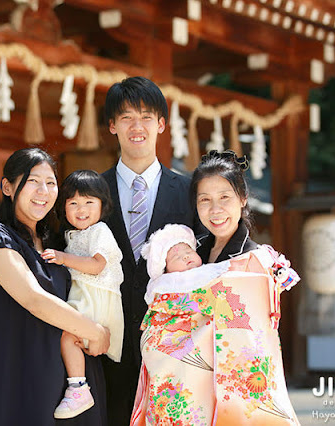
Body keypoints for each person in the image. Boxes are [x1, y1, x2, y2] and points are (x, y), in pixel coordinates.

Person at [130, 151, 301, 425]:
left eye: (225, 198)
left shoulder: (254, 261)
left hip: (229, 400)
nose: (215, 210)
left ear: (243, 199)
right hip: (183, 395)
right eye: (205, 200)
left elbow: (253, 346)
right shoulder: (188, 255)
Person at [0, 148, 110, 426]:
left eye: (50, 183)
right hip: (20, 373)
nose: (43, 191)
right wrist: (94, 332)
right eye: (33, 181)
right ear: (7, 186)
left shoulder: (57, 242)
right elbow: (33, 298)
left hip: (73, 382)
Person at [100, 76, 199, 425]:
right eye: (126, 117)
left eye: (146, 116)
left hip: (173, 344)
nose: (136, 126)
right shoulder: (91, 194)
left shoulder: (190, 193)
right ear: (113, 126)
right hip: (106, 345)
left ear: (161, 124)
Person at [40, 170, 125, 419]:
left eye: (89, 202)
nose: (81, 209)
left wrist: (64, 258)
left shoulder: (100, 231)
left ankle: (78, 388)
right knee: (69, 337)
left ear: (103, 206)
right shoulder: (72, 235)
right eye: (73, 203)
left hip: (97, 297)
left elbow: (97, 265)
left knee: (68, 336)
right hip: (87, 295)